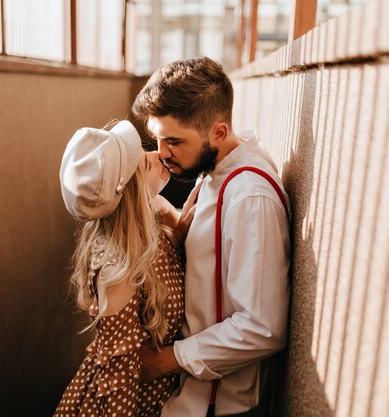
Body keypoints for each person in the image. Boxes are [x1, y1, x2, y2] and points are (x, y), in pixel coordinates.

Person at [131, 57, 291, 416]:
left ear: (219, 131)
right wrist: (173, 221)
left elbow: (262, 327)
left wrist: (166, 360)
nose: (162, 152)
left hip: (215, 406)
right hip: (187, 395)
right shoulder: (214, 166)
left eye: (173, 141)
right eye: (157, 138)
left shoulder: (250, 196)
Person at [53, 120, 198, 417]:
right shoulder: (118, 272)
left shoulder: (153, 222)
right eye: (146, 164)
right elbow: (120, 379)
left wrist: (179, 229)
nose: (158, 155)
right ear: (132, 196)